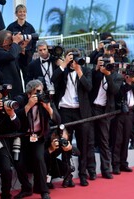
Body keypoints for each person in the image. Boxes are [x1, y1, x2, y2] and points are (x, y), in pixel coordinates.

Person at [51, 48, 93, 187]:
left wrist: (79, 70)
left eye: (76, 57)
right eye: (71, 56)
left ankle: (82, 175)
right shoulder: (62, 70)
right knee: (65, 144)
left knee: (83, 144)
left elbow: (88, 87)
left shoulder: (85, 70)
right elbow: (52, 79)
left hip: (81, 112)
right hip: (65, 111)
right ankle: (67, 176)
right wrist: (64, 64)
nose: (74, 59)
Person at [13, 80, 60, 199]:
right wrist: (28, 106)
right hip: (23, 137)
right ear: (29, 93)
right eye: (37, 92)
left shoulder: (45, 99)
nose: (40, 94)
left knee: (39, 158)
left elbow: (58, 120)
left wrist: (48, 109)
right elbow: (15, 118)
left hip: (38, 137)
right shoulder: (22, 99)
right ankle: (26, 188)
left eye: (41, 91)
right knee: (18, 162)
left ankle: (44, 190)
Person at [89, 44, 123, 179]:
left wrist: (108, 74)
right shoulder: (95, 74)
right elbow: (90, 88)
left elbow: (114, 91)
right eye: (105, 62)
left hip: (105, 111)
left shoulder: (117, 76)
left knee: (104, 141)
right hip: (92, 109)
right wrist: (98, 69)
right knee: (90, 141)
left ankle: (106, 169)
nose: (108, 65)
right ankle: (91, 171)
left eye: (110, 63)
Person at [0, 85, 21, 199]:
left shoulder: (6, 108)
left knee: (7, 169)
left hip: (1, 142)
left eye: (4, 99)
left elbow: (17, 126)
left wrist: (11, 114)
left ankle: (6, 194)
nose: (2, 102)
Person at [111, 69, 134, 175]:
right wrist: (128, 83)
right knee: (118, 140)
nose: (129, 76)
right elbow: (119, 94)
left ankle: (123, 163)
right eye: (127, 74)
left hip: (130, 113)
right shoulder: (119, 82)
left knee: (126, 139)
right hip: (119, 114)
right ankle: (115, 165)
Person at [0, 30, 29, 98]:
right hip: (5, 91)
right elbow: (11, 56)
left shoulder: (11, 51)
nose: (13, 41)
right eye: (12, 39)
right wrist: (15, 42)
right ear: (5, 42)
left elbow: (25, 63)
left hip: (17, 89)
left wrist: (22, 49)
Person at [7, 4, 37, 84]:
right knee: (16, 78)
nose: (22, 13)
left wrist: (29, 53)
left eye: (24, 12)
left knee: (28, 78)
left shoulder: (30, 27)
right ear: (16, 14)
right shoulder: (11, 27)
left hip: (26, 56)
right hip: (14, 56)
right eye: (20, 12)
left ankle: (29, 95)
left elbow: (34, 43)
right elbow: (7, 41)